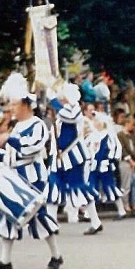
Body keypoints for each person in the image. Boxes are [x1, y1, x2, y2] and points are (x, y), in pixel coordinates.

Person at [0, 74, 62, 269]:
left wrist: (9, 140)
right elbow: (10, 157)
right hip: (17, 176)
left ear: (25, 105)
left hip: (34, 178)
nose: (11, 108)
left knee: (38, 216)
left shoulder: (38, 125)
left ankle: (56, 255)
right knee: (8, 214)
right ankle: (5, 260)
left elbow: (31, 148)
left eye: (14, 104)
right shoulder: (16, 128)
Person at [47, 82, 100, 232]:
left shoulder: (74, 110)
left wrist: (53, 99)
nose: (61, 100)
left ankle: (95, 222)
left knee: (80, 189)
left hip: (73, 158)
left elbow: (68, 117)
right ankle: (51, 223)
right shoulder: (62, 112)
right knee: (53, 187)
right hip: (59, 159)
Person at [86, 112, 127, 222]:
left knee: (110, 187)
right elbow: (87, 148)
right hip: (93, 165)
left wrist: (110, 160)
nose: (95, 123)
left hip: (105, 166)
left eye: (97, 121)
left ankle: (121, 210)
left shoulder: (109, 135)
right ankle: (88, 213)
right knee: (91, 187)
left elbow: (116, 149)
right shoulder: (92, 136)